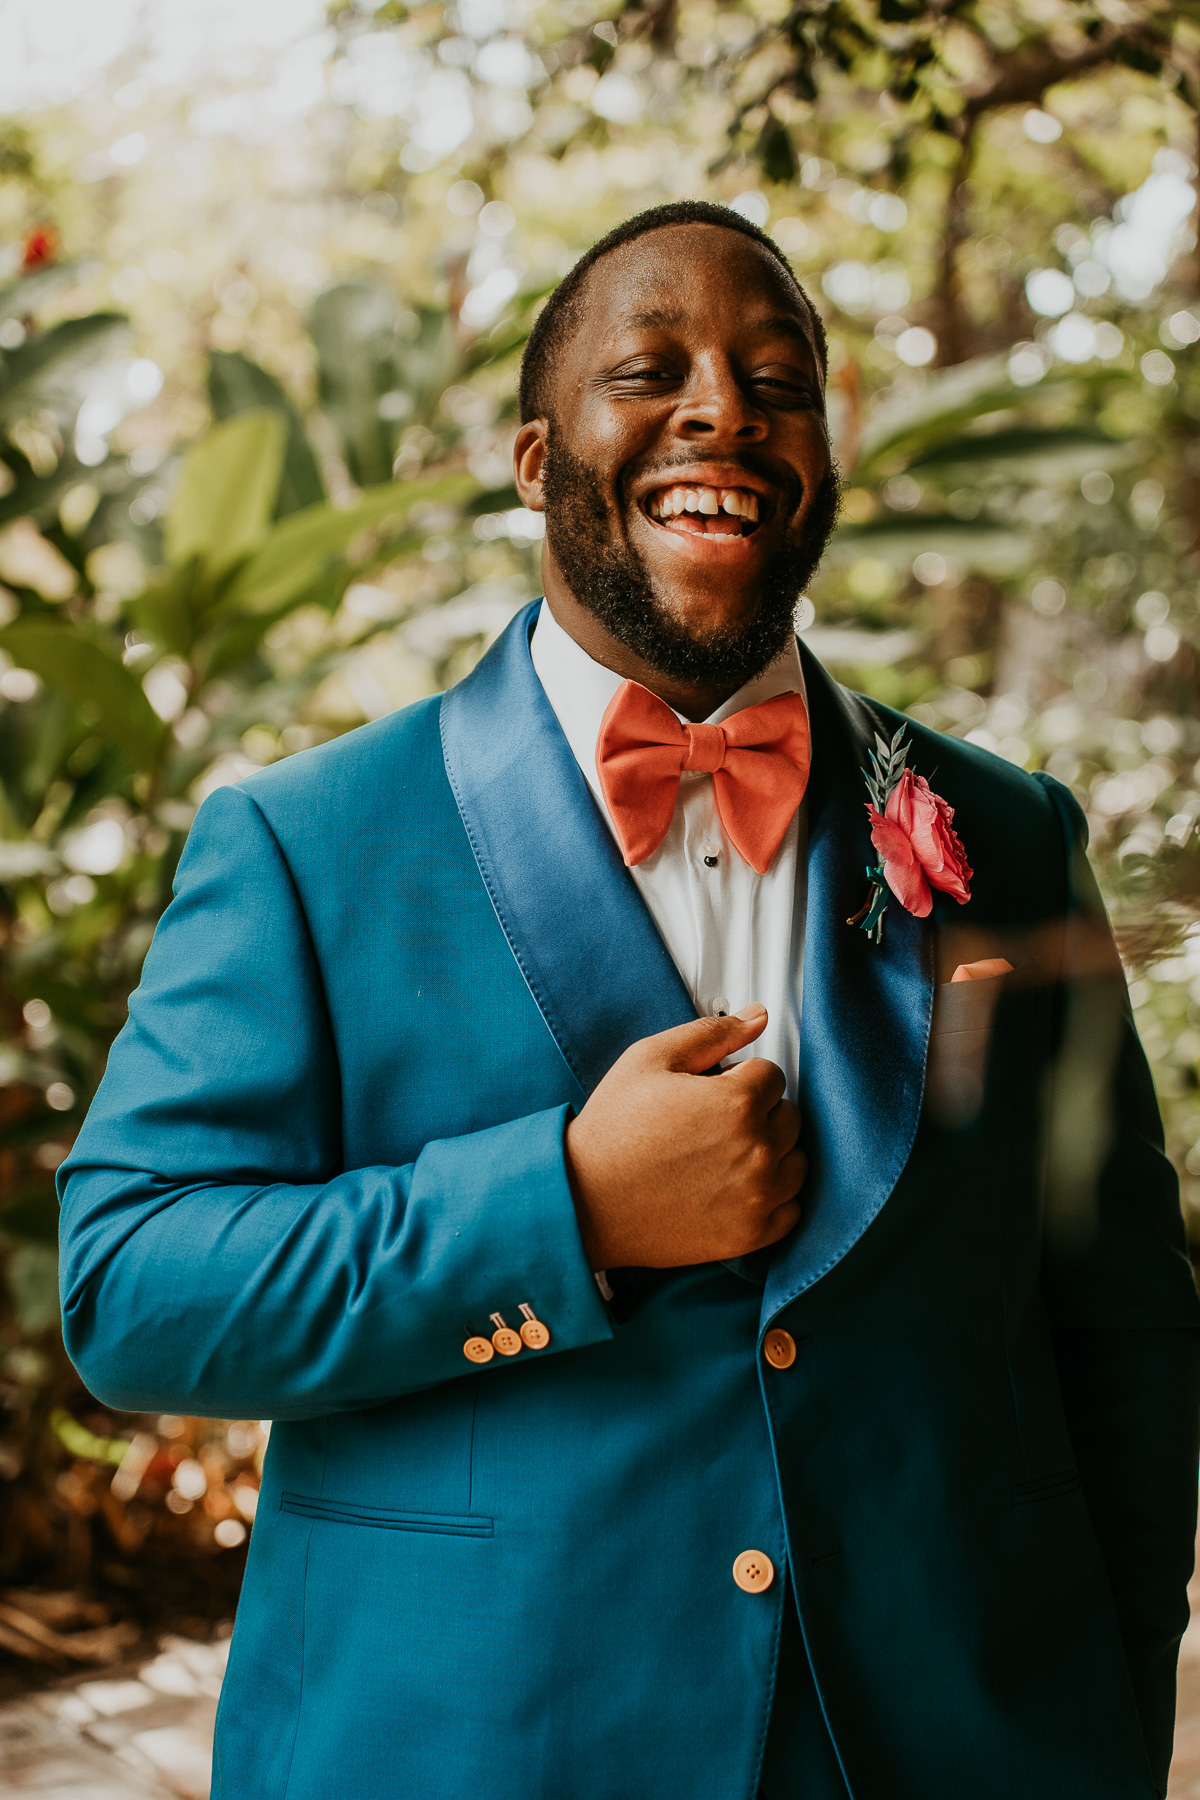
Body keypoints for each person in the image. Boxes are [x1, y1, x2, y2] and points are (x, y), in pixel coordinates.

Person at [58, 200, 1199, 1800]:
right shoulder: (307, 842)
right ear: (538, 462)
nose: (724, 407)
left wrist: (1112, 1696)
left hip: (953, 1745)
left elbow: (1123, 1316)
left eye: (777, 377)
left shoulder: (1006, 836)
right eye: (650, 370)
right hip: (473, 1745)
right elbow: (133, 1288)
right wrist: (569, 1203)